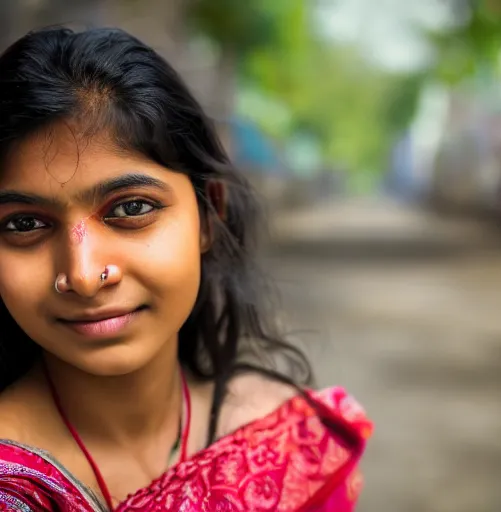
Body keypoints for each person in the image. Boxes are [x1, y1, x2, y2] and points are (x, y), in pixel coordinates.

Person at [0, 27, 372, 511]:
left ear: (208, 216)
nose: (85, 274)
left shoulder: (288, 443)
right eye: (24, 223)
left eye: (131, 209)